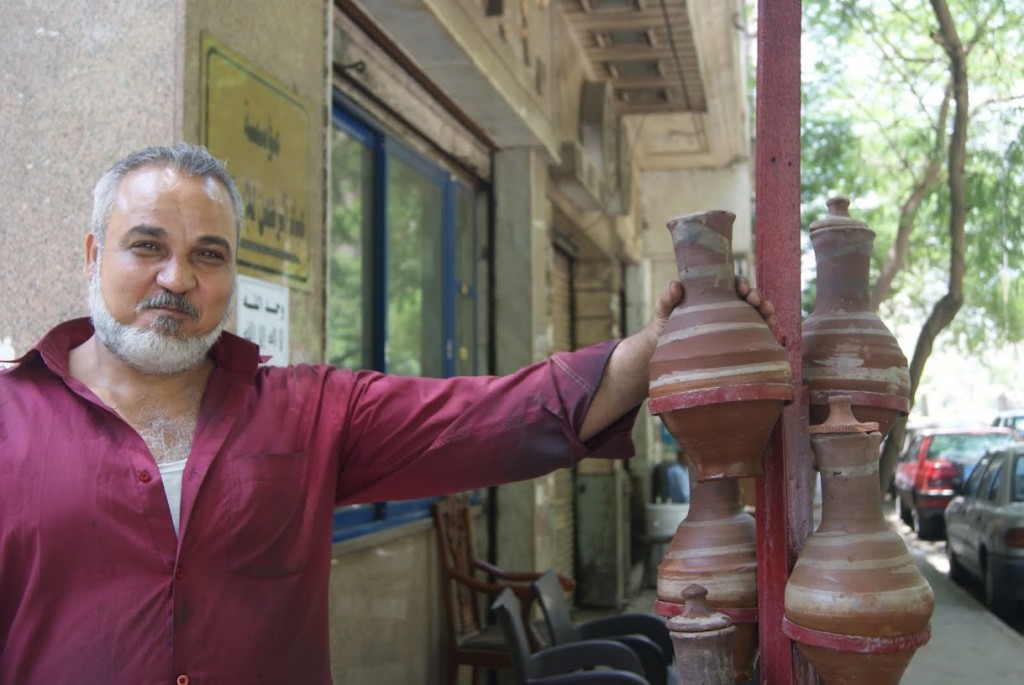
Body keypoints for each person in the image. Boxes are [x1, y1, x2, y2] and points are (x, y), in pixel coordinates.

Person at [0, 143, 776, 684]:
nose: (178, 275)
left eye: (210, 253)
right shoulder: (10, 420)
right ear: (93, 255)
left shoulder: (308, 411)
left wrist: (662, 343)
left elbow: (496, 415)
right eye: (147, 245)